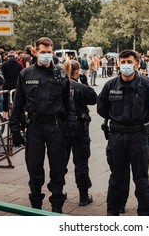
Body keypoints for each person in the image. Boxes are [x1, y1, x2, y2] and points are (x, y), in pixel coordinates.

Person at [9, 37, 71, 213]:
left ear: (53, 52)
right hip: (34, 126)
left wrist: (71, 127)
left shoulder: (60, 73)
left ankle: (57, 205)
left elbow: (69, 103)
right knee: (34, 167)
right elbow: (18, 104)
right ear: (35, 52)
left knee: (58, 167)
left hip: (55, 125)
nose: (46, 55)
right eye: (42, 52)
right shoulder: (26, 74)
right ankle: (36, 205)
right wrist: (15, 130)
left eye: (49, 52)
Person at [97, 49, 149, 216]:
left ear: (136, 64)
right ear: (118, 64)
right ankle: (112, 213)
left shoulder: (146, 85)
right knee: (116, 178)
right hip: (117, 136)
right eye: (123, 62)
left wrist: (139, 121)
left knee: (141, 179)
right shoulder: (110, 85)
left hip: (139, 136)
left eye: (129, 62)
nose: (126, 65)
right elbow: (101, 108)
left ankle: (144, 214)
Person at [63, 59, 97, 206]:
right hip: (80, 128)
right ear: (77, 72)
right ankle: (83, 195)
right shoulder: (80, 87)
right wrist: (83, 81)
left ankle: (58, 191)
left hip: (62, 128)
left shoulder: (58, 86)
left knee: (60, 162)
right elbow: (93, 98)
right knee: (81, 162)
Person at [0, 51, 23, 120]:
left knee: (5, 101)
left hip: (6, 84)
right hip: (16, 85)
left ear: (8, 56)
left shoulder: (4, 64)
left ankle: (4, 116)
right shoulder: (19, 65)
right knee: (15, 100)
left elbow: (2, 73)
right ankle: (14, 115)